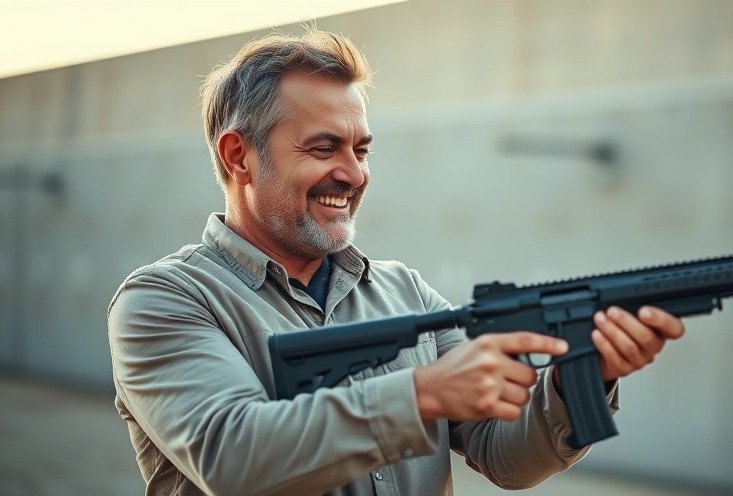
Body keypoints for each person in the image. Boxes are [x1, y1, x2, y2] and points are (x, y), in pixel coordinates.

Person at [107, 28, 685, 496]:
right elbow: (232, 457)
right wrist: (423, 395)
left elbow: (506, 457)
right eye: (324, 147)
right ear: (239, 156)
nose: (354, 175)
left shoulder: (404, 290)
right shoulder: (165, 300)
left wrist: (582, 375)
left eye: (362, 150)